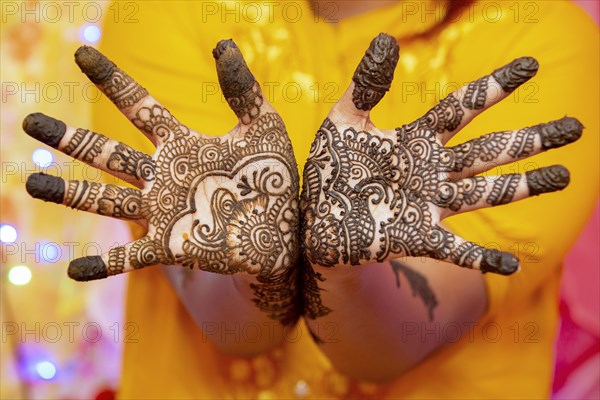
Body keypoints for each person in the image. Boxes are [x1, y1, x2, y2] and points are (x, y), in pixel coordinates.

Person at [24, 1, 599, 398]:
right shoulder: (167, 11)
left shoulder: (541, 40)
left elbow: (392, 345)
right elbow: (234, 331)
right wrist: (257, 263)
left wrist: (341, 267)